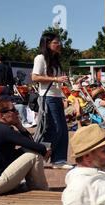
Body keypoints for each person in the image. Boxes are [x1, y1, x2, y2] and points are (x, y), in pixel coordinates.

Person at [0, 100, 50, 196]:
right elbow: (37, 147)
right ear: (1, 115)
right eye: (13, 110)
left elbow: (29, 145)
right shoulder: (4, 130)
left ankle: (31, 186)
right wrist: (45, 151)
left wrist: (19, 125)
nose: (17, 112)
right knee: (33, 155)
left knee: (27, 151)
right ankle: (41, 190)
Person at [31, 32, 72, 170]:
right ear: (47, 44)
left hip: (56, 96)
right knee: (53, 128)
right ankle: (37, 154)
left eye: (59, 42)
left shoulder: (55, 60)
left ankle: (58, 159)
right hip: (47, 97)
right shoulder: (40, 58)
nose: (59, 44)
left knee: (62, 129)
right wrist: (55, 79)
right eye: (56, 42)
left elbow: (58, 81)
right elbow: (35, 77)